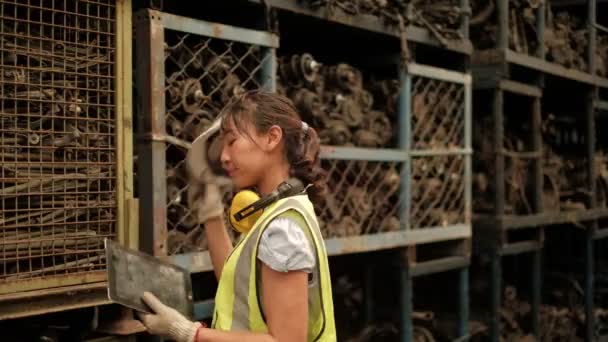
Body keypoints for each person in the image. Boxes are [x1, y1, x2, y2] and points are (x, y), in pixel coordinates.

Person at [138, 90, 337, 342]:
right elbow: (238, 286)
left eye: (231, 142)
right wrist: (211, 213)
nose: (223, 157)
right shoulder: (278, 213)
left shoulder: (282, 229)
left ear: (272, 137)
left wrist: (189, 333)